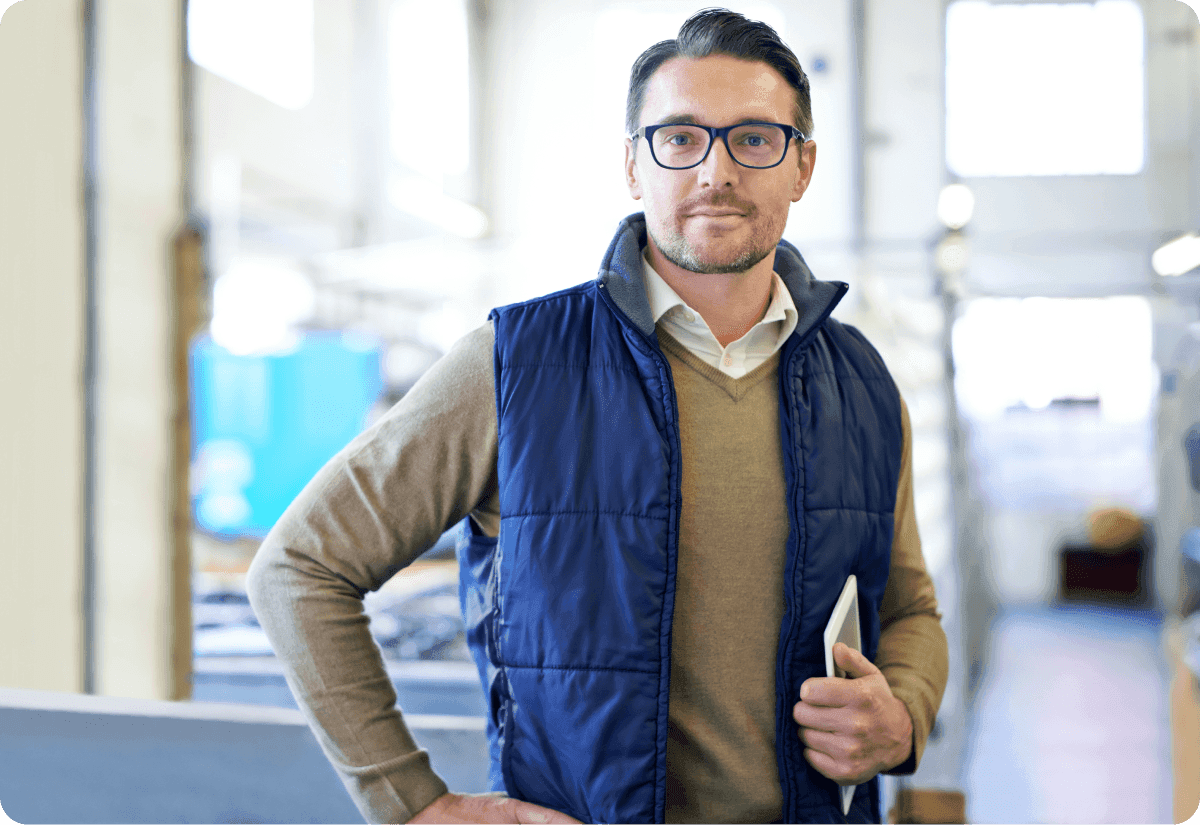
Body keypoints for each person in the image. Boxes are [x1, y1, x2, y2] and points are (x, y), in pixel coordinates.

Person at [246, 8, 948, 825]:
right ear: (632, 166)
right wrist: (411, 802)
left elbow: (911, 612)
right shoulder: (513, 365)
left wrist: (904, 714)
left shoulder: (860, 381)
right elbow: (299, 566)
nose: (715, 171)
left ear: (802, 166)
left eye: (755, 138)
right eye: (680, 138)